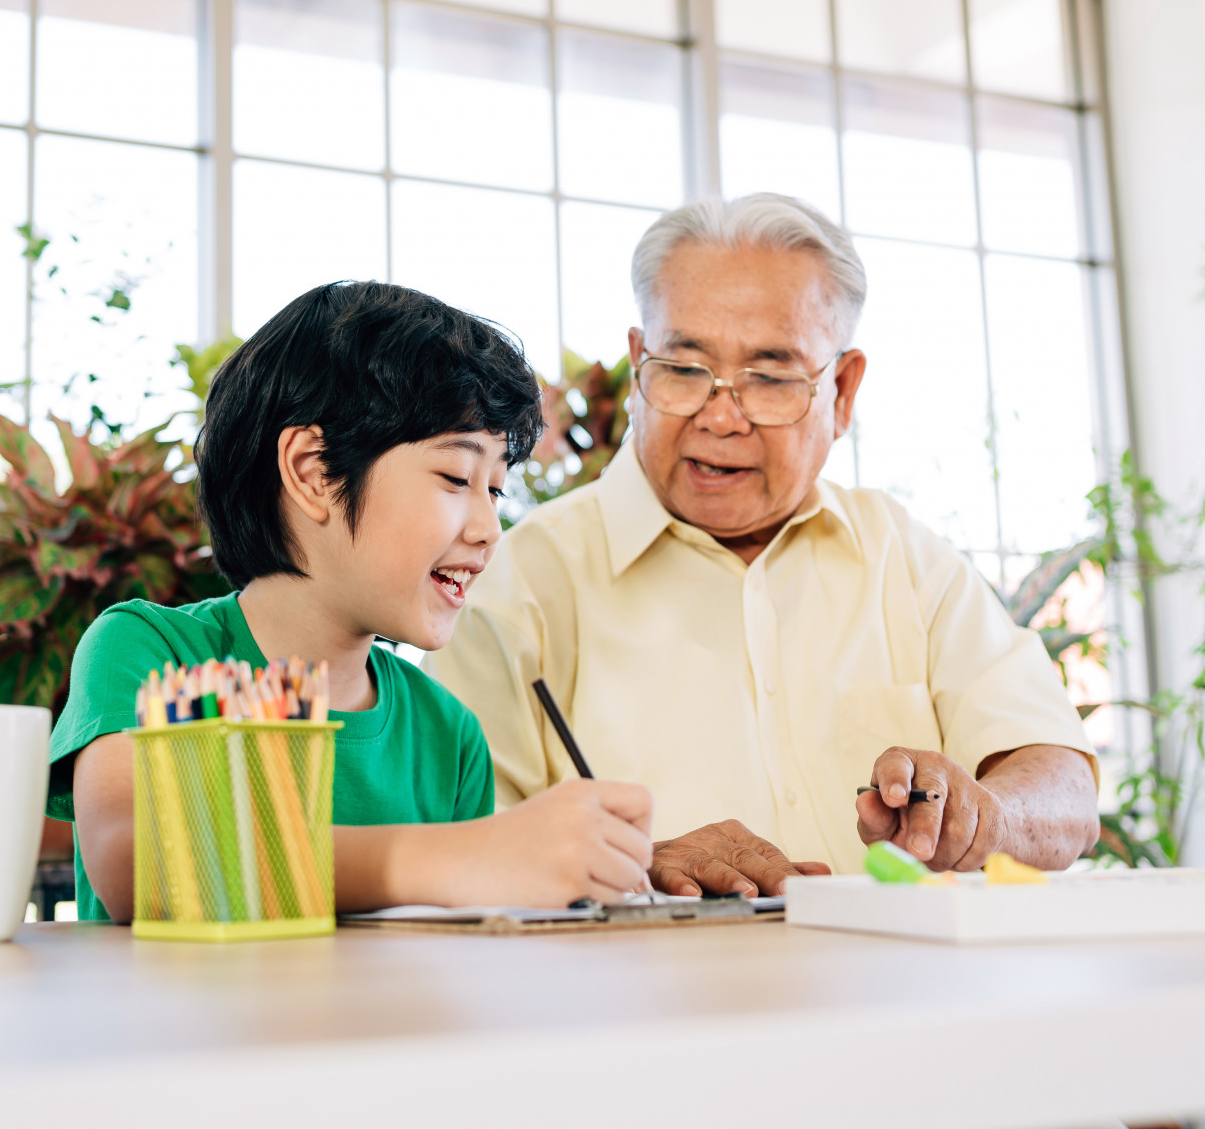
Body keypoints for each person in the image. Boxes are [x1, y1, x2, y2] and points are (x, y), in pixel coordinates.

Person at [428, 194, 1099, 897]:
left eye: (771, 379)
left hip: (906, 997)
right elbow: (447, 856)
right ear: (638, 365)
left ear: (842, 391)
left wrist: (985, 818)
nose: (720, 416)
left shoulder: (903, 556)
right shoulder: (518, 583)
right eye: (684, 371)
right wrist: (636, 870)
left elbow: (1062, 785)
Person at [47, 281, 655, 920]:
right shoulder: (152, 654)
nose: (486, 528)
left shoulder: (449, 735)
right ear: (312, 472)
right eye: (455, 477)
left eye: (496, 490)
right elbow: (135, 862)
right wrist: (444, 858)